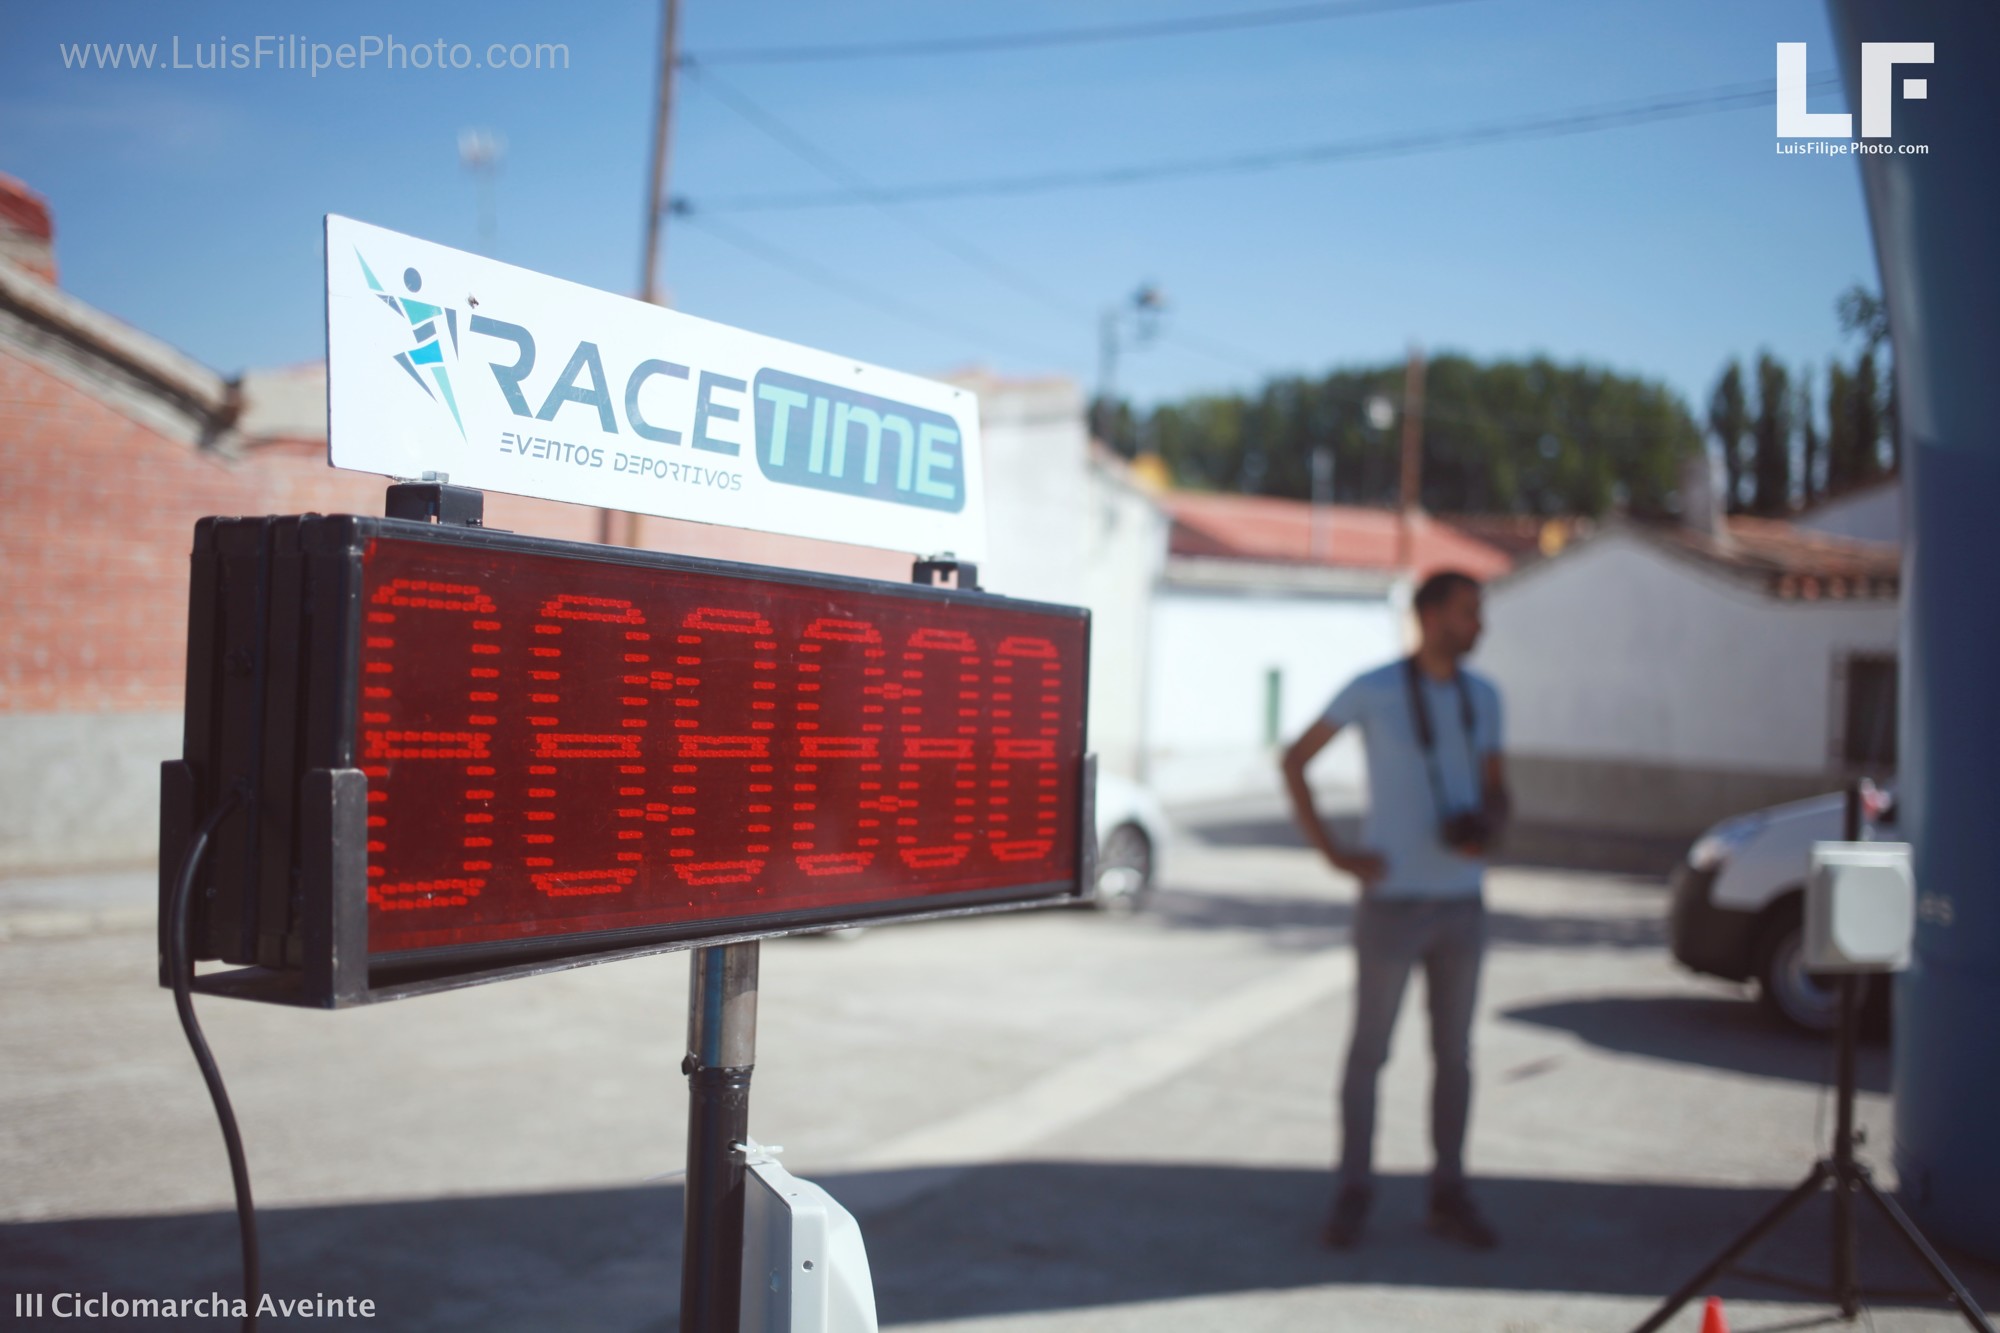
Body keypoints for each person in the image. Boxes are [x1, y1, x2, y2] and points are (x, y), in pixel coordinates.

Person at [1280, 569, 1508, 1251]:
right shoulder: (1374, 688)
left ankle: (1449, 1190)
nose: (1479, 625)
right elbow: (1295, 760)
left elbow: (1498, 788)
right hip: (1392, 904)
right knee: (1368, 1054)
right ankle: (1354, 1189)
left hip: (1462, 902)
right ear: (1431, 614)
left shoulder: (1484, 696)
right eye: (1469, 612)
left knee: (1456, 1056)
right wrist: (1335, 854)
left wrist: (1488, 824)